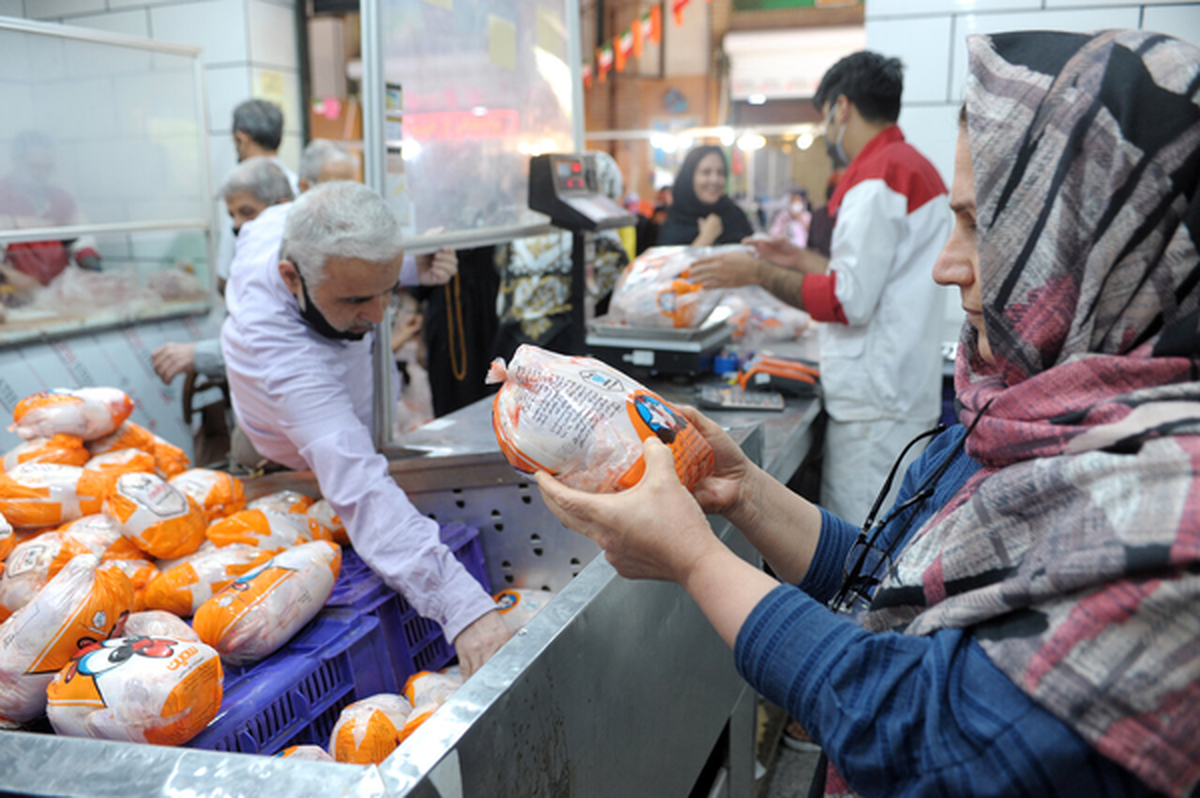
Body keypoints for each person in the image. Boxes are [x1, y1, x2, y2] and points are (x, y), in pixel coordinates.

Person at [536, 29, 1200, 797]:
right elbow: (890, 571)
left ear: (1109, 244)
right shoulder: (1025, 413)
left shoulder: (1170, 532)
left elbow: (920, 727)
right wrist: (744, 490)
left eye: (984, 228)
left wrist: (695, 559)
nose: (949, 268)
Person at [221, 181, 509, 677]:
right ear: (292, 278)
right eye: (356, 298)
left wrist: (416, 268)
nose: (378, 318)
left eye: (388, 292)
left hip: (350, 436)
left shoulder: (296, 227)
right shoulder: (278, 343)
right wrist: (464, 609)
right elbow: (358, 484)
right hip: (282, 466)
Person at [689, 52, 950, 527]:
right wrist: (795, 259)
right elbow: (871, 275)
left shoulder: (877, 180)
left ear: (842, 108)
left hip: (877, 404)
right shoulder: (910, 167)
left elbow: (847, 299)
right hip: (896, 391)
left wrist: (755, 272)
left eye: (825, 114)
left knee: (860, 544)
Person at [150, 157, 295, 385]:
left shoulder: (293, 265)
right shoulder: (254, 256)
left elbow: (277, 346)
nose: (237, 225)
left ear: (282, 206)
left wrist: (199, 355)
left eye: (247, 212)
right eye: (232, 215)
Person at [0, 130, 101, 287]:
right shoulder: (3, 199)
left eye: (47, 168)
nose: (42, 174)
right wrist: (19, 280)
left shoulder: (60, 199)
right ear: (16, 162)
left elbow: (81, 240)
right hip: (13, 298)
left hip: (57, 294)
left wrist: (94, 271)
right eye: (34, 167)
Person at [657, 145, 754, 247]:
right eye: (706, 172)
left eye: (720, 172)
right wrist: (706, 238)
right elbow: (667, 261)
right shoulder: (676, 219)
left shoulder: (735, 216)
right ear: (689, 177)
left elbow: (753, 257)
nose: (715, 180)